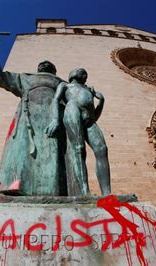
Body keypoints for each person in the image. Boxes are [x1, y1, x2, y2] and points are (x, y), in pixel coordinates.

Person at [0, 42, 66, 196]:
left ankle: (52, 190)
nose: (44, 65)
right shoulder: (24, 78)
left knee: (52, 153)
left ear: (54, 71)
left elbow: (74, 99)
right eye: (42, 64)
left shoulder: (61, 83)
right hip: (27, 118)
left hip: (53, 119)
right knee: (21, 151)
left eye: (47, 65)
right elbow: (0, 77)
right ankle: (16, 186)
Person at [46, 68, 111, 196]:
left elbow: (94, 115)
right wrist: (55, 119)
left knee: (102, 149)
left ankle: (107, 193)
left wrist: (101, 102)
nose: (83, 73)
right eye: (81, 71)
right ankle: (83, 192)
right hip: (72, 110)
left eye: (84, 72)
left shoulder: (89, 90)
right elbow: (55, 100)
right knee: (79, 149)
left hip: (89, 120)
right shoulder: (65, 85)